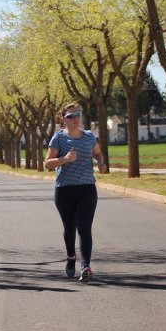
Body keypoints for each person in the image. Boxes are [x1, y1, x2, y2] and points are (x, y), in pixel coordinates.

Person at [44, 103, 107, 283]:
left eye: (77, 115)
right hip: (65, 189)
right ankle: (71, 257)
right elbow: (47, 164)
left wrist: (101, 163)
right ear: (63, 120)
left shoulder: (89, 136)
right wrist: (65, 159)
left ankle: (85, 266)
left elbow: (98, 153)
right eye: (70, 116)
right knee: (69, 229)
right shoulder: (58, 138)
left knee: (84, 228)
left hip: (87, 187)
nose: (75, 118)